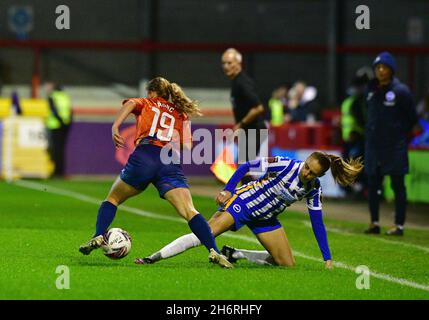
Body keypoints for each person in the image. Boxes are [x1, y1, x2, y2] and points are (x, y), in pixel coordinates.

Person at [78, 77, 232, 268]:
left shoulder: (147, 102)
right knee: (189, 211)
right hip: (169, 161)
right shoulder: (181, 114)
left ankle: (99, 235)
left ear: (151, 92)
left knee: (113, 199)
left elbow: (132, 103)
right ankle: (214, 251)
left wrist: (115, 126)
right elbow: (187, 145)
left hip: (145, 155)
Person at [135, 152, 363, 268]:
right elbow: (246, 166)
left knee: (286, 263)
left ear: (319, 176)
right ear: (304, 162)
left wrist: (327, 258)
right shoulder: (285, 164)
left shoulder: (314, 189)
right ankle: (151, 258)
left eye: (312, 173)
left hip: (266, 218)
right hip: (243, 203)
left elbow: (317, 223)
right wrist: (227, 190)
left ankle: (237, 254)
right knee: (203, 234)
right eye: (307, 168)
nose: (307, 174)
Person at [364, 52, 418, 236]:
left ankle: (399, 225)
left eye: (384, 67)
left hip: (394, 147)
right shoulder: (371, 90)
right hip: (373, 147)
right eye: (377, 67)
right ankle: (374, 223)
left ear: (391, 70)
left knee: (397, 186)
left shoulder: (401, 91)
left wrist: (397, 134)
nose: (380, 70)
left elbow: (412, 118)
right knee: (373, 185)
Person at [221, 48, 267, 183]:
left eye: (229, 63)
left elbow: (258, 108)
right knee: (244, 167)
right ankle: (248, 198)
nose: (225, 66)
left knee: (244, 167)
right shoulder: (236, 81)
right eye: (224, 63)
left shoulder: (242, 82)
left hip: (254, 130)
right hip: (249, 130)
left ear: (238, 63)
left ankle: (248, 200)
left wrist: (241, 124)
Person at [340, 68, 372, 197]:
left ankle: (355, 188)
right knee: (353, 164)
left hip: (353, 137)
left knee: (353, 164)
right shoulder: (354, 102)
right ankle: (353, 188)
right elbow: (360, 119)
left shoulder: (352, 101)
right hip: (353, 137)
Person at [45, 82, 73, 177]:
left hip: (55, 126)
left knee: (55, 149)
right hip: (65, 126)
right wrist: (67, 123)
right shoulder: (65, 97)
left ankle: (56, 171)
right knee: (61, 150)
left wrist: (60, 121)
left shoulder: (52, 96)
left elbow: (54, 110)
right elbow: (70, 111)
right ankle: (61, 171)